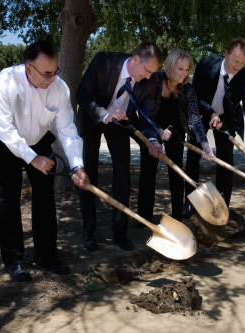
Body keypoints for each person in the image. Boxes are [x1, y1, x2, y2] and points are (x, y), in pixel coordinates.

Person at [0, 40, 89, 282]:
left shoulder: (59, 89)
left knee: (45, 197)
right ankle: (13, 261)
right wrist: (33, 158)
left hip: (40, 139)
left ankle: (47, 255)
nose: (51, 79)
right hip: (5, 141)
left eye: (55, 72)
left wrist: (77, 165)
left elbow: (66, 129)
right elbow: (5, 128)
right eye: (46, 73)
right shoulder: (5, 81)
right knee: (8, 198)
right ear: (28, 67)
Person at [76, 42, 163, 252]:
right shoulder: (104, 61)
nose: (149, 76)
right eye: (147, 70)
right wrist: (105, 115)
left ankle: (120, 232)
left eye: (153, 72)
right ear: (135, 60)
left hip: (121, 123)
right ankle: (89, 232)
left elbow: (147, 118)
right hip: (93, 118)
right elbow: (82, 95)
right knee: (88, 175)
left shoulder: (150, 82)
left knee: (123, 174)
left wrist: (153, 139)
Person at [183, 38, 245, 217]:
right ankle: (189, 202)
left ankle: (222, 205)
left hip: (227, 117)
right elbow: (195, 96)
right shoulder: (206, 63)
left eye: (243, 62)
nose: (238, 66)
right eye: (235, 61)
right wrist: (211, 114)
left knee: (225, 161)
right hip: (202, 112)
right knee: (193, 154)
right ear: (226, 53)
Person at [137, 49, 212, 224]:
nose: (184, 74)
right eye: (180, 69)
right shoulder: (154, 81)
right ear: (170, 67)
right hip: (151, 129)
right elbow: (144, 114)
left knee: (176, 173)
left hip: (176, 132)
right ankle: (144, 217)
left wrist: (205, 144)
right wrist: (159, 132)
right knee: (148, 173)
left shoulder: (187, 88)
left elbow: (194, 117)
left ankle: (177, 215)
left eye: (187, 70)